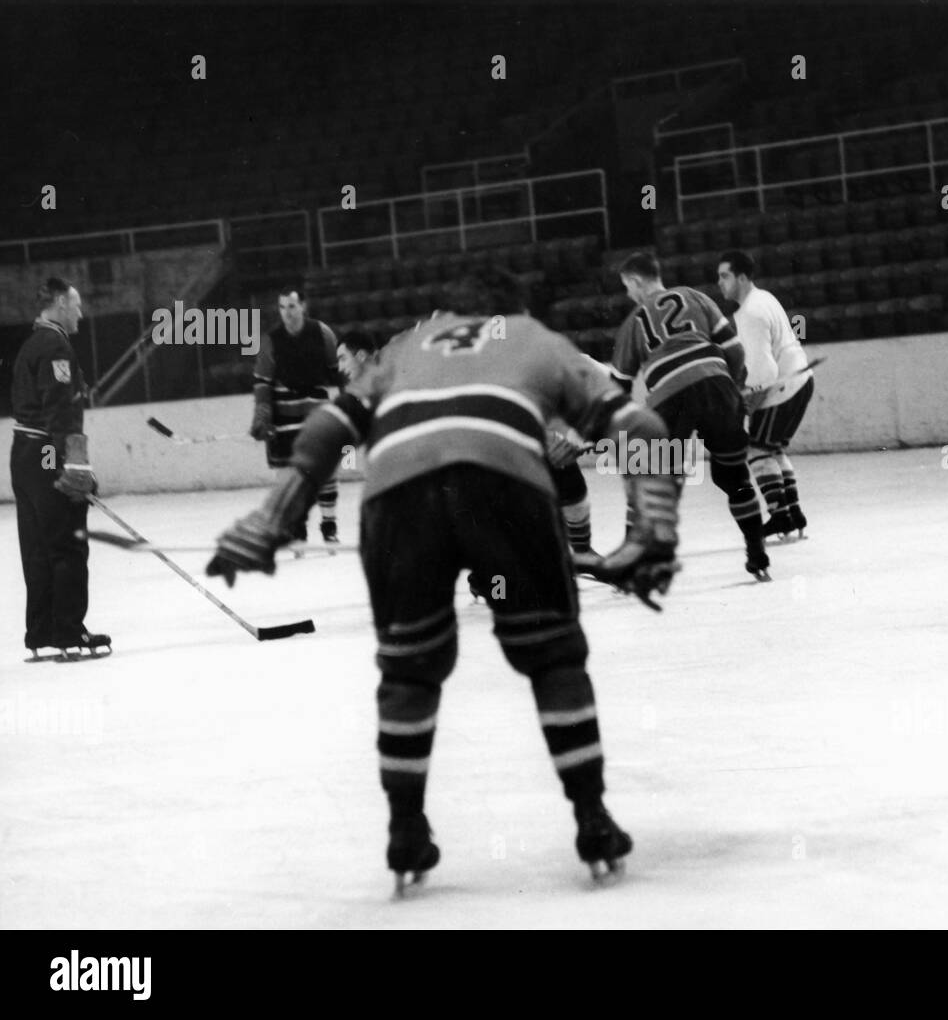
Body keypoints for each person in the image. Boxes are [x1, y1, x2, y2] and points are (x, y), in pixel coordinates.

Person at [207, 270, 681, 889]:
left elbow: (327, 427)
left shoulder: (406, 347)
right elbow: (644, 428)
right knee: (552, 657)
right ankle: (593, 820)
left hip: (398, 495)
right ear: (507, 311)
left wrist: (275, 519)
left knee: (408, 669)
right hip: (503, 484)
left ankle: (406, 833)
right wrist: (654, 529)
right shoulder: (532, 336)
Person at [613, 252, 770, 580]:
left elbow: (618, 387)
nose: (628, 294)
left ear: (637, 282)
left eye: (627, 286)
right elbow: (735, 350)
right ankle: (757, 556)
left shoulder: (632, 323)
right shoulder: (696, 297)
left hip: (670, 398)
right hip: (717, 387)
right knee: (734, 477)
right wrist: (734, 388)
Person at [9, 277, 111, 661]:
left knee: (38, 548)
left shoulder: (31, 345)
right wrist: (71, 467)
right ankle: (69, 631)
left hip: (25, 454)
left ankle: (41, 632)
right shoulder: (55, 346)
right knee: (67, 544)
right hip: (45, 451)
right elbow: (60, 412)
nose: (81, 312)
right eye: (76, 304)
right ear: (60, 304)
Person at [717, 250, 814, 539]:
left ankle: (780, 516)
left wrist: (749, 405)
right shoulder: (765, 298)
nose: (719, 283)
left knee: (757, 451)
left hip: (784, 385)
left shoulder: (749, 312)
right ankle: (793, 514)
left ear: (742, 278)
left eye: (725, 276)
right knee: (772, 449)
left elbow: (763, 372)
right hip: (801, 379)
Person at [249, 288, 344, 545]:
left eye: (292, 306)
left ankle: (329, 526)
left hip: (317, 411)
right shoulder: (271, 340)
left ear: (303, 306)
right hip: (284, 417)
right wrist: (262, 415)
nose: (287, 313)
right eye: (282, 307)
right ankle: (297, 528)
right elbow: (262, 382)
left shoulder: (323, 334)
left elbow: (339, 373)